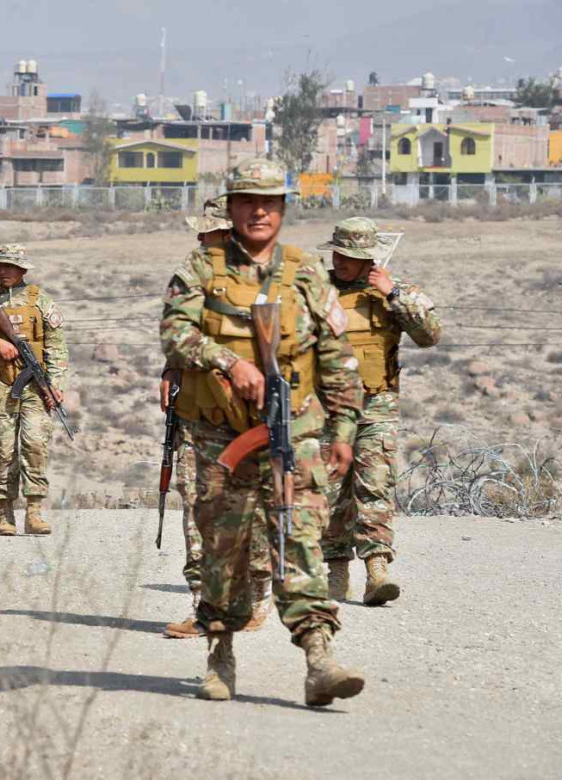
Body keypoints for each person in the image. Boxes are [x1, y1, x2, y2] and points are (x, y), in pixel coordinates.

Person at [160, 158, 366, 707]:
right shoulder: (200, 269)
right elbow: (175, 335)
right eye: (248, 201)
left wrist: (343, 427)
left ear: (282, 210)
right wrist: (227, 361)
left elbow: (336, 356)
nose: (258, 211)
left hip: (295, 430)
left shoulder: (306, 273)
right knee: (223, 552)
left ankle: (319, 658)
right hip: (220, 439)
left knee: (298, 540)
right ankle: (221, 655)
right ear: (230, 208)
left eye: (269, 203)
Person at [162, 198, 273, 639]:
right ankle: (206, 606)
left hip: (253, 415)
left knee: (257, 510)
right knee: (198, 508)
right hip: (199, 411)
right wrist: (170, 368)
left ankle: (256, 600)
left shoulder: (270, 279)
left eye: (207, 232)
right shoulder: (193, 277)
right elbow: (178, 333)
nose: (200, 240)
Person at [317, 217, 441, 606]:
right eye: (337, 253)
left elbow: (429, 335)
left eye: (350, 256)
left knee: (375, 485)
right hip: (326, 409)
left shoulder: (391, 292)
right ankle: (336, 573)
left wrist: (395, 294)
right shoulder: (314, 292)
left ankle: (377, 571)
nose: (340, 261)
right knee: (329, 491)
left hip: (377, 406)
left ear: (369, 258)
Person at [0, 244, 68, 536]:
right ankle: (5, 513)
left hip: (35, 384)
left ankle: (34, 511)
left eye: (9, 266)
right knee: (4, 449)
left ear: (22, 270)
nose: (3, 271)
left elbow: (56, 346)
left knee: (35, 444)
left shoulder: (40, 300)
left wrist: (56, 385)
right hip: (0, 384)